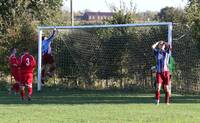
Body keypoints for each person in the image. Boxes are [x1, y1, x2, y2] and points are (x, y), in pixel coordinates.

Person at [152, 41, 171, 105]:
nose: (162, 45)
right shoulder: (156, 52)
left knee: (166, 88)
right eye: (161, 45)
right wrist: (157, 42)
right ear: (159, 46)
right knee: (158, 87)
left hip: (166, 72)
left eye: (163, 45)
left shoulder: (166, 52)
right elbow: (152, 47)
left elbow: (169, 46)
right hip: (159, 72)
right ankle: (157, 101)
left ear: (164, 46)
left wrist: (164, 42)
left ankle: (167, 102)